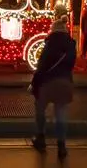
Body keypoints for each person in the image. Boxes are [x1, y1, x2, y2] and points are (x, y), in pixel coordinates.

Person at [30, 15, 76, 159]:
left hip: (47, 83)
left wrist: (34, 84)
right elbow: (70, 65)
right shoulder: (71, 46)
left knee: (40, 108)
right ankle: (61, 146)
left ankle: (41, 138)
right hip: (64, 82)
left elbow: (42, 67)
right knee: (61, 114)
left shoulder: (50, 44)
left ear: (53, 30)